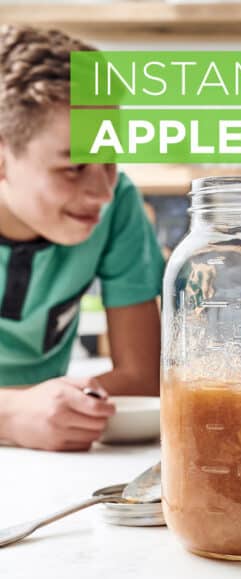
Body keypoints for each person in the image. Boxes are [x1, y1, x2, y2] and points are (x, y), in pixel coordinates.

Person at [0, 26, 165, 450]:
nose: (102, 192)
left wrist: (62, 408)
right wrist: (12, 416)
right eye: (73, 167)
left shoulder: (119, 205)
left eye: (109, 159)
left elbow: (143, 378)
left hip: (60, 455)